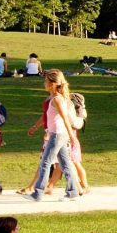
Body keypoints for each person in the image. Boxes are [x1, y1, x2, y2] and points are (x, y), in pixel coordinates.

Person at [27, 70, 81, 201]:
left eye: (46, 81)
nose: (44, 84)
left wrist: (72, 136)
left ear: (52, 84)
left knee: (45, 163)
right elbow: (47, 116)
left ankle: (38, 193)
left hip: (57, 135)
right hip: (57, 134)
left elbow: (65, 118)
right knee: (65, 163)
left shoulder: (57, 99)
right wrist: (35, 127)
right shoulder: (54, 98)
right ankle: (73, 192)